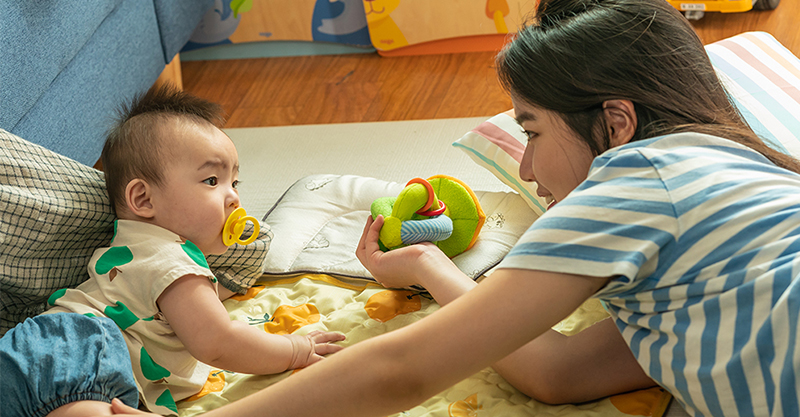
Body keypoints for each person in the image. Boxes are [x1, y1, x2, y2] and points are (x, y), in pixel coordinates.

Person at [109, 0, 800, 416]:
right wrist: (431, 267)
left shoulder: (642, 171)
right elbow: (561, 374)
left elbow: (400, 369)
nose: (526, 170)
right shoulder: (712, 248)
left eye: (531, 130)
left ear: (616, 123)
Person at [0, 85, 345, 417]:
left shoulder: (135, 247)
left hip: (30, 354)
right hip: (77, 345)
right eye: (212, 181)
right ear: (144, 199)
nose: (234, 197)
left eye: (234, 182)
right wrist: (294, 350)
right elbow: (219, 342)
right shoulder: (172, 259)